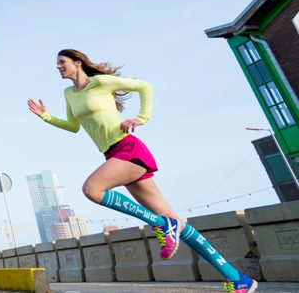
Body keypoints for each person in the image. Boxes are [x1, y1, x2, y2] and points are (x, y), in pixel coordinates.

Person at [27, 49, 257, 293]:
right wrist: (46, 117)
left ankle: (159, 224)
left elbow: (145, 87)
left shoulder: (101, 82)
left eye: (62, 62)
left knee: (92, 189)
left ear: (77, 62)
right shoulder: (68, 94)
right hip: (113, 155)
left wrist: (141, 117)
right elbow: (73, 126)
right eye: (57, 64)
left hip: (128, 149)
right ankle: (238, 279)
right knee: (179, 225)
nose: (58, 67)